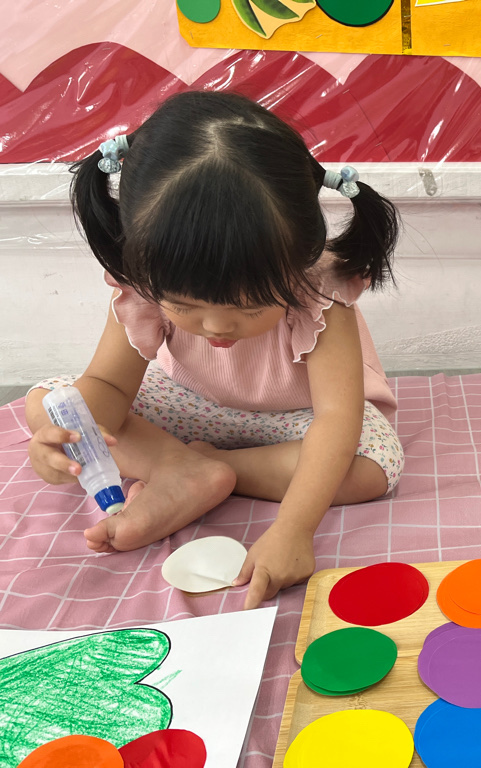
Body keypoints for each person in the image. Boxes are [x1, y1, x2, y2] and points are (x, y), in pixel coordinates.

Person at [25, 91, 404, 608]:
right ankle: (182, 469)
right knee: (49, 402)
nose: (216, 327)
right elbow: (109, 385)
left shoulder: (319, 291)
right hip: (191, 405)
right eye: (184, 306)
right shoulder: (144, 282)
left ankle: (204, 468)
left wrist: (293, 529)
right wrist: (69, 439)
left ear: (298, 259)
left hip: (296, 421)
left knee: (373, 467)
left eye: (250, 308)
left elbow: (336, 419)